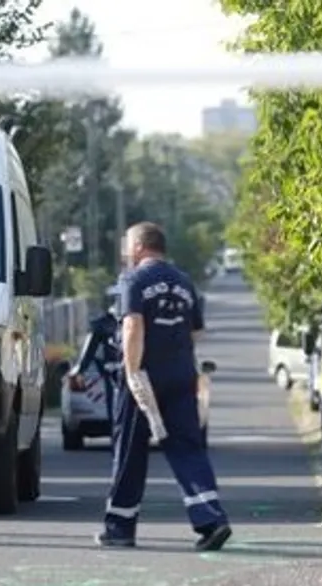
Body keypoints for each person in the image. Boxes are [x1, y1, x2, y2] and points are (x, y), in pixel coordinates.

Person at [97, 221, 231, 551]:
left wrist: (132, 373)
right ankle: (211, 519)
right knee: (187, 448)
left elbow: (132, 327)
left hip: (143, 377)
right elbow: (196, 332)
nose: (125, 253)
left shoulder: (134, 280)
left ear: (140, 247)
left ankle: (120, 527)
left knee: (130, 451)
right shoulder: (185, 282)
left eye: (128, 246)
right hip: (181, 375)